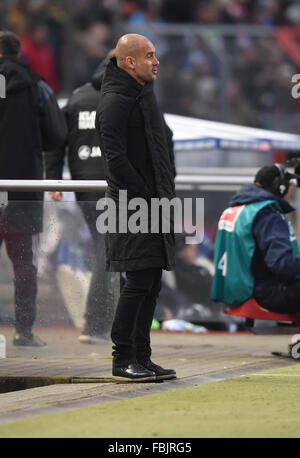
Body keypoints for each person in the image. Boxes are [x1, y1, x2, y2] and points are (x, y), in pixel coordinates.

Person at [96, 33, 177, 382]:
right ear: (129, 62)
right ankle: (122, 359)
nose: (156, 61)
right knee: (138, 280)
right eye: (149, 55)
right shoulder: (115, 101)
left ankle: (142, 357)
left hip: (152, 203)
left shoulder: (143, 96)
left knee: (152, 280)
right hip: (131, 206)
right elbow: (115, 160)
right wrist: (145, 194)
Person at [0, 31, 67, 346]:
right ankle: (23, 332)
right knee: (24, 263)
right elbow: (56, 134)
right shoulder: (36, 85)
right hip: (23, 188)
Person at [45, 51, 116, 344]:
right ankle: (97, 324)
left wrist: (53, 179)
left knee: (106, 248)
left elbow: (55, 143)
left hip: (83, 185)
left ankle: (104, 323)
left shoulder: (76, 99)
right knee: (108, 251)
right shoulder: (124, 96)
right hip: (116, 186)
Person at [211, 163, 300, 314]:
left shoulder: (235, 209)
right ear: (280, 187)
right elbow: (282, 265)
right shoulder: (267, 214)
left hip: (237, 291)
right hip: (263, 292)